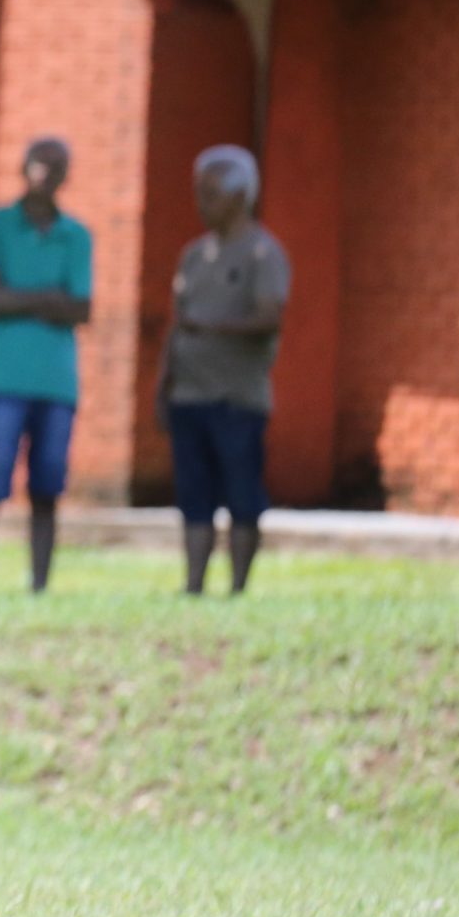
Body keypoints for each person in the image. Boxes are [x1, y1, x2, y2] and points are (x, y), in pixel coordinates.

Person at [0, 136, 93, 594]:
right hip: (1, 379)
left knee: (46, 491)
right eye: (40, 163)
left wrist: (15, 296)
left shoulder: (76, 235)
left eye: (58, 165)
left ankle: (39, 587)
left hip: (56, 384)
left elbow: (80, 308)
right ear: (23, 167)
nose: (47, 173)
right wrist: (46, 297)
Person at [160, 145, 289, 596]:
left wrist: (211, 327)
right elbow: (178, 326)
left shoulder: (263, 253)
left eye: (210, 193)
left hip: (237, 399)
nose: (199, 202)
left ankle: (238, 589)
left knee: (241, 495)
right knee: (194, 497)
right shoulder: (194, 256)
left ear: (240, 197)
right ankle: (193, 584)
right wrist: (165, 385)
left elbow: (270, 318)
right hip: (188, 396)